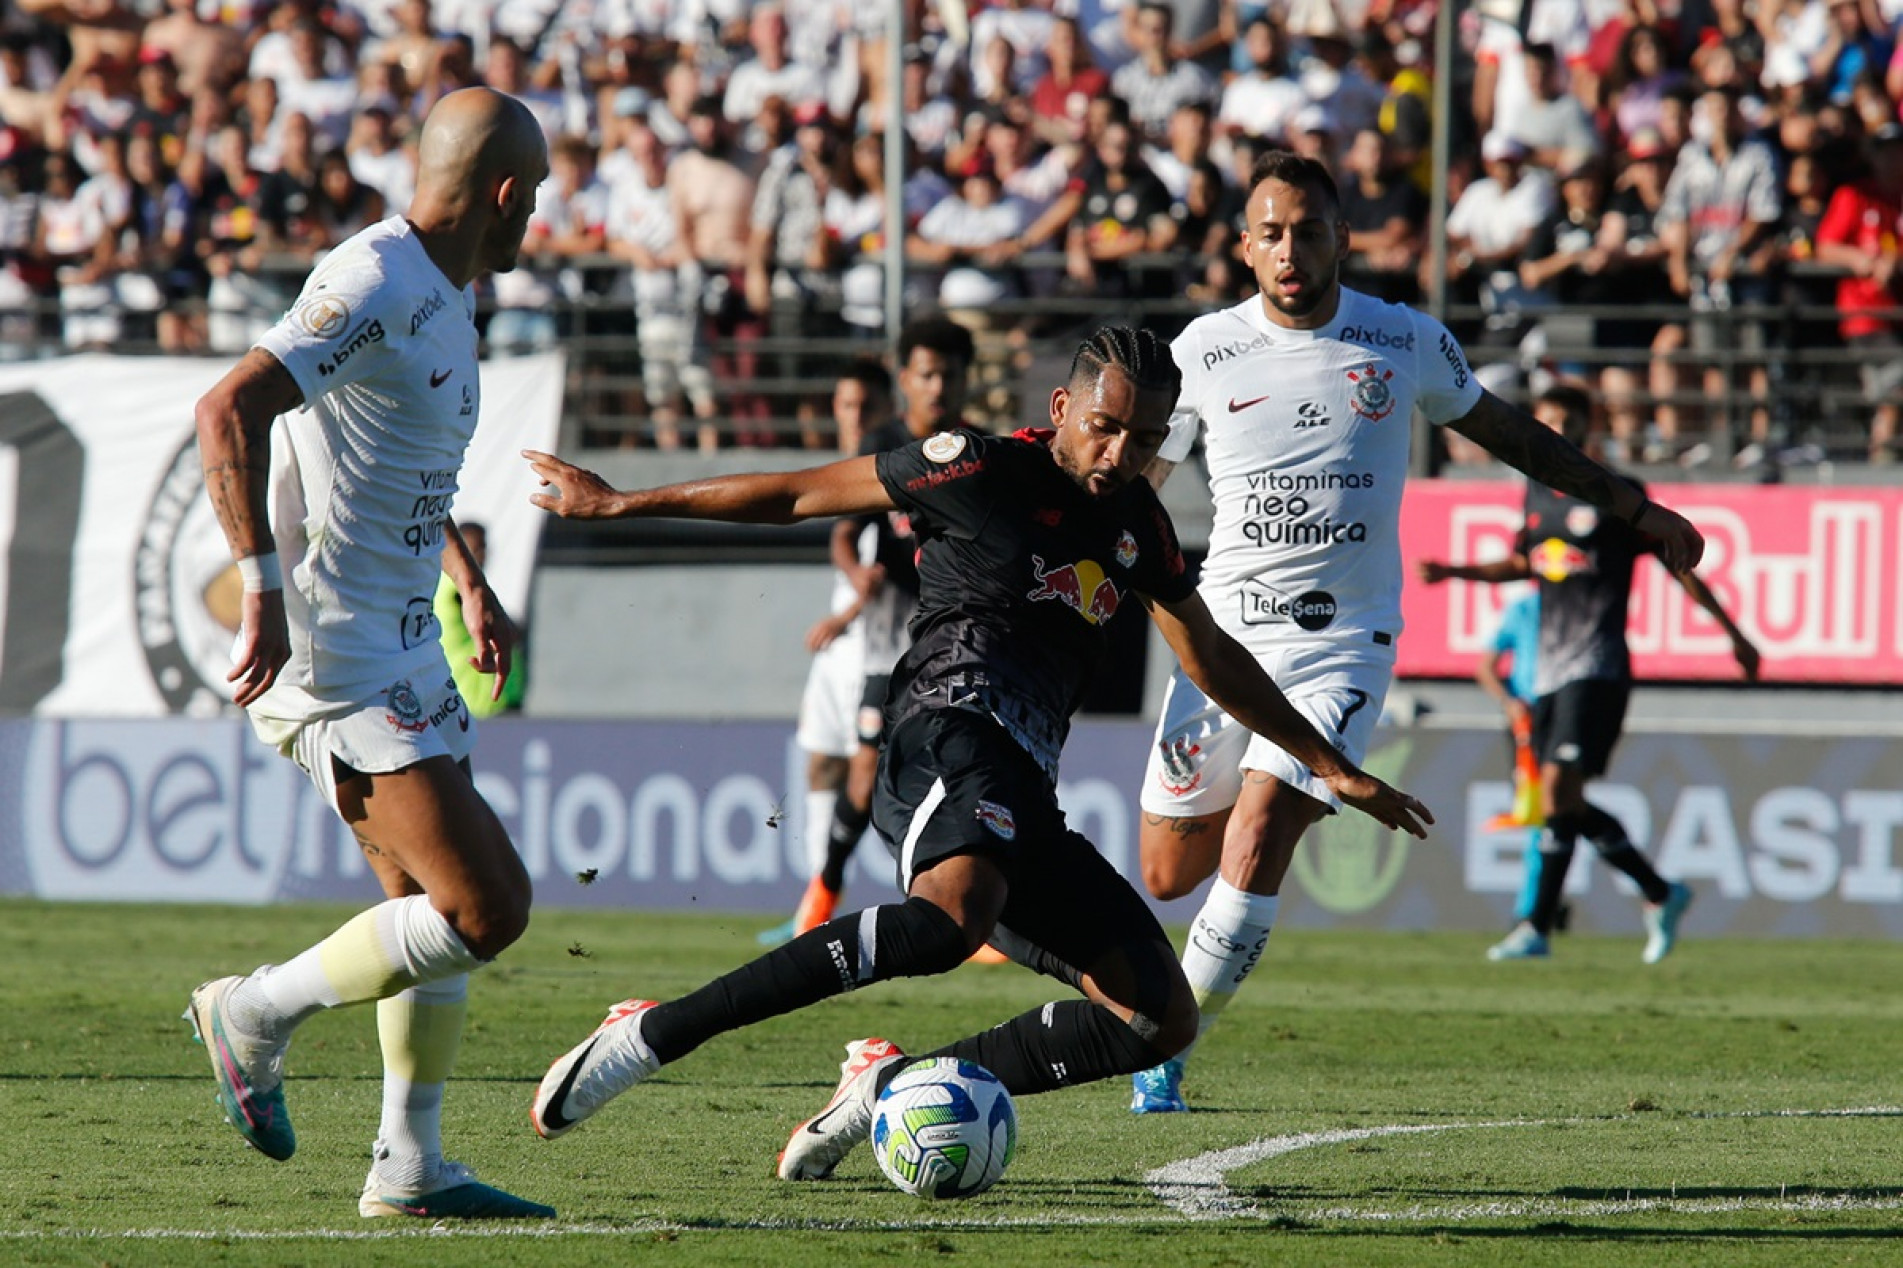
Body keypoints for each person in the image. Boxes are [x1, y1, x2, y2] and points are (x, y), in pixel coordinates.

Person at [520, 327, 1433, 1178]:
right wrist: (621, 500)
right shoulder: (979, 468)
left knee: (1159, 1018)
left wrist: (1329, 762)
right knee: (949, 922)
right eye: (1107, 427)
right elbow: (798, 493)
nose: (1121, 454)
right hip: (942, 730)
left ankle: (888, 1086)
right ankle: (648, 1034)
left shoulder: (1139, 527)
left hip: (1024, 786)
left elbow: (1210, 654)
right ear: (1065, 408)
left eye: (1145, 435)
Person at [1128, 151, 1710, 1116]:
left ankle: (1165, 1050)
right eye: (1268, 233)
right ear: (1241, 246)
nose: (1288, 249)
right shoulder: (1199, 352)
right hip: (1221, 638)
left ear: (1340, 237)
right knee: (1167, 871)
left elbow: (1512, 435)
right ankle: (1184, 980)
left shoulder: (1401, 339)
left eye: (1307, 230)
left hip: (1341, 640)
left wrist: (1628, 504)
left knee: (1266, 821)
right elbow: (1139, 486)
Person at [184, 87, 554, 1221]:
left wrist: (464, 576)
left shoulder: (447, 292)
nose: (535, 217)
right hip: (342, 660)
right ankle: (252, 1010)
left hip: (406, 638)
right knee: (488, 906)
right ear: (503, 196)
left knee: (417, 906)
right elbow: (229, 407)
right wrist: (260, 589)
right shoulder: (378, 278)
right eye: (532, 197)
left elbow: (393, 443)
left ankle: (409, 1160)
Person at [1418, 382, 1761, 962]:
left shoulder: (1620, 494)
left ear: (1586, 425)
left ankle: (1536, 928)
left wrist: (1733, 633)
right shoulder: (1535, 492)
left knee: (1556, 791)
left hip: (1597, 667)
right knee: (1561, 803)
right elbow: (1525, 563)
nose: (1555, 430)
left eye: (1565, 421)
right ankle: (1660, 891)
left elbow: (1679, 566)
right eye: (1546, 420)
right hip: (1546, 672)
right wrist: (1456, 571)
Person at [765, 320, 976, 945]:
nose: (938, 386)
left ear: (967, 379)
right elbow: (839, 529)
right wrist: (856, 575)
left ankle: (983, 920)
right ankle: (823, 894)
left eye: (950, 374)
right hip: (888, 646)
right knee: (862, 776)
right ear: (906, 377)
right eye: (926, 373)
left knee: (972, 776)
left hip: (956, 647)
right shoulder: (884, 447)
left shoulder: (979, 450)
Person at [1475, 588, 1551, 928]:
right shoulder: (1524, 609)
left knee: (1550, 814)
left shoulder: (1578, 603)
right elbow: (1486, 667)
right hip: (1527, 725)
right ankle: (1534, 909)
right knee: (1538, 815)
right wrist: (1509, 702)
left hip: (1562, 718)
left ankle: (1536, 908)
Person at [435, 521, 524, 719]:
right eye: (474, 549)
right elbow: (507, 631)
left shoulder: (462, 589)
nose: (482, 556)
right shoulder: (457, 589)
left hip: (499, 701)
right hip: (479, 704)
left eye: (483, 548)